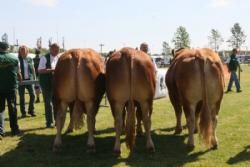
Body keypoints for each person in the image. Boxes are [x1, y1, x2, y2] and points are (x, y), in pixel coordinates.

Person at [0, 42, 21, 139]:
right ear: (7, 48)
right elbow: (18, 73)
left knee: (0, 110)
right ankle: (15, 129)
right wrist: (19, 80)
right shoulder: (14, 58)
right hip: (12, 87)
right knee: (12, 108)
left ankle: (0, 131)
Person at [38, 43, 60, 128]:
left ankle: (57, 121)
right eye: (55, 50)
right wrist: (53, 70)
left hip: (55, 83)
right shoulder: (44, 57)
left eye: (58, 50)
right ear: (50, 49)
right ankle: (49, 122)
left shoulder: (58, 58)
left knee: (56, 103)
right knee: (48, 103)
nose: (57, 52)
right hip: (46, 83)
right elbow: (40, 70)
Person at [18, 45, 36, 117]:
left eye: (25, 51)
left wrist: (34, 78)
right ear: (20, 52)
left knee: (33, 95)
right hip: (21, 81)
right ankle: (23, 112)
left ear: (27, 51)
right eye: (22, 51)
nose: (23, 52)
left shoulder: (30, 59)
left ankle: (31, 110)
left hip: (30, 80)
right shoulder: (17, 59)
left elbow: (33, 68)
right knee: (22, 97)